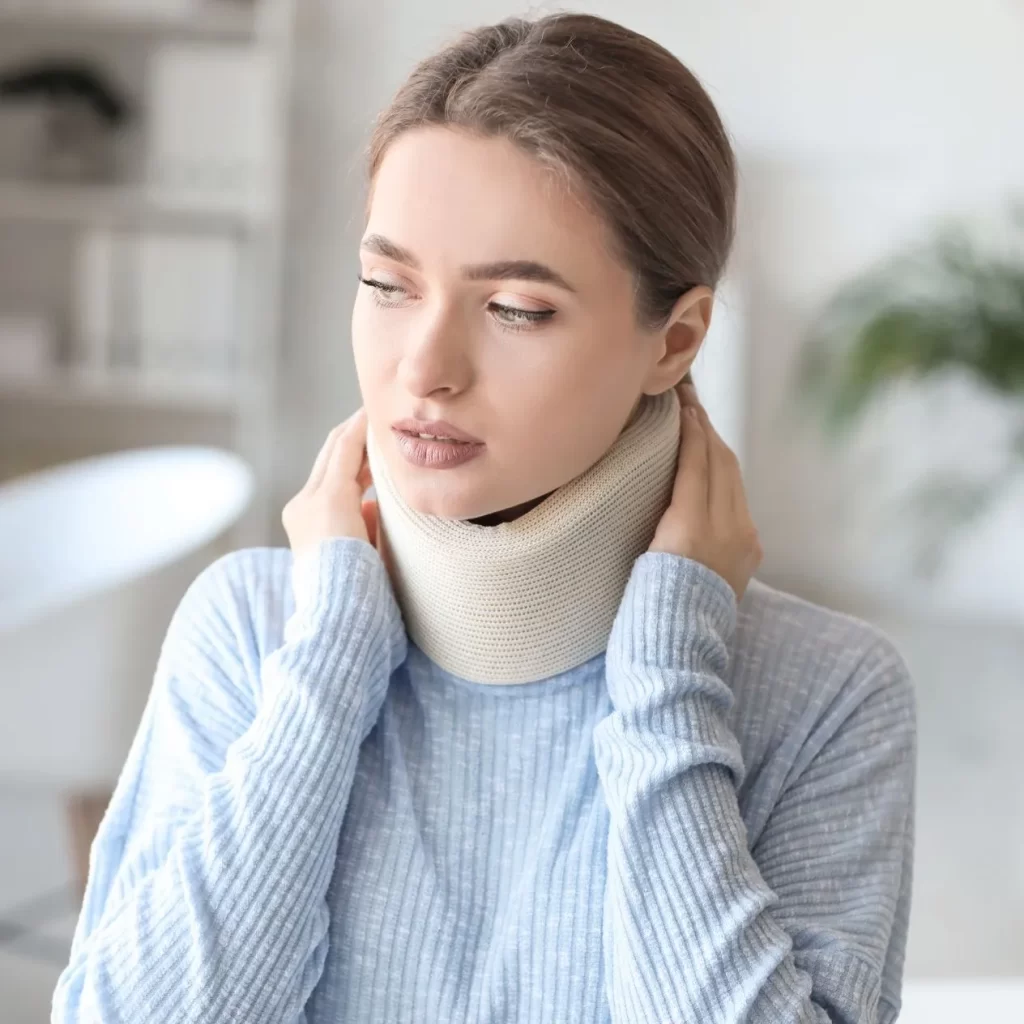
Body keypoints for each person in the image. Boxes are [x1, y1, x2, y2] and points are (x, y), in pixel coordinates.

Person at [52, 12, 916, 1024]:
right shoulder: (251, 630)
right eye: (386, 285)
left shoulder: (827, 695)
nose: (422, 370)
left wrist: (672, 676)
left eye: (514, 309)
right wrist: (327, 665)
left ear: (673, 341)